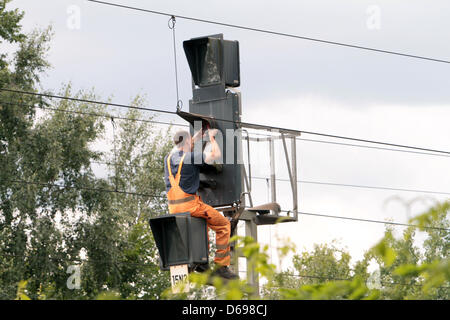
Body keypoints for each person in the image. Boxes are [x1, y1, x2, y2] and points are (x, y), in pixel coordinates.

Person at [164, 128, 239, 280]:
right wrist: (212, 138)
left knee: (203, 222)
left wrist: (196, 137)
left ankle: (203, 263)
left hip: (173, 208)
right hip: (190, 206)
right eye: (190, 141)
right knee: (224, 225)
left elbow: (183, 145)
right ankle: (222, 266)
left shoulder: (168, 157)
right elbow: (215, 155)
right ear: (186, 142)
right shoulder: (191, 157)